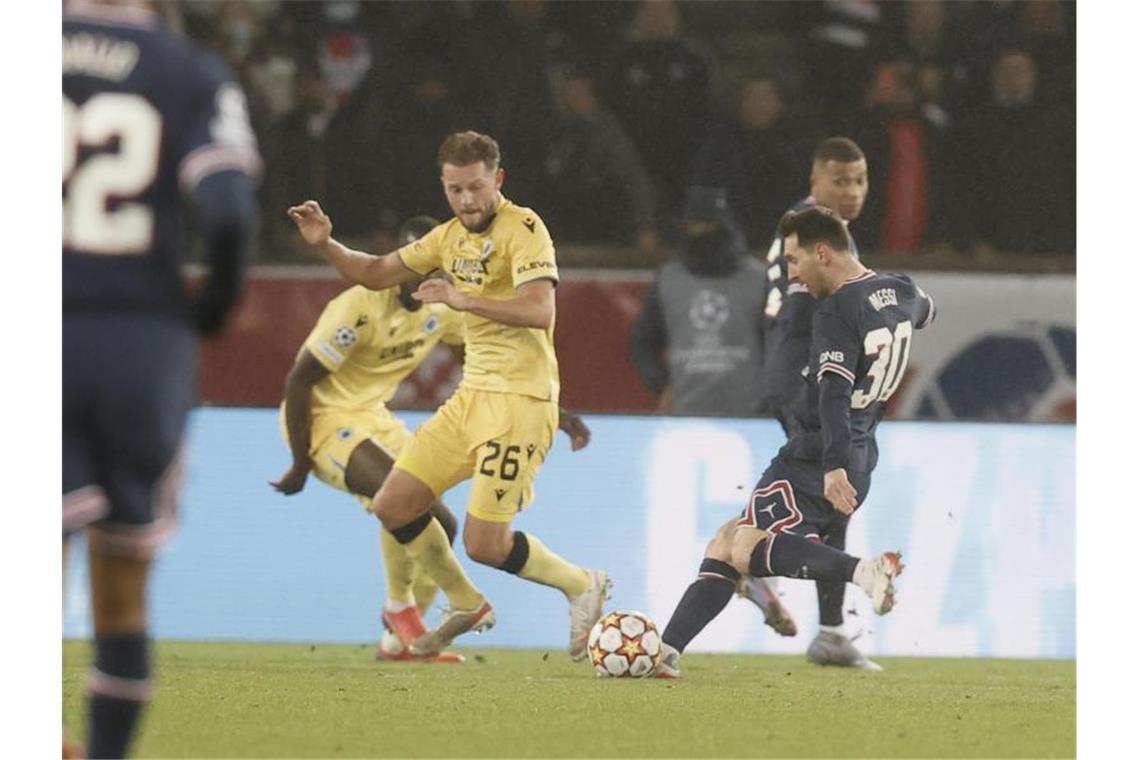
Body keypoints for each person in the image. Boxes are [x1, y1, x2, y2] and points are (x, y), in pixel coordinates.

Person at [286, 131, 611, 659]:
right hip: (469, 400)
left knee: (485, 544)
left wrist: (463, 297)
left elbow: (539, 310)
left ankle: (580, 584)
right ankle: (464, 602)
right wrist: (326, 243)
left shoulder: (525, 229)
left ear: (497, 180)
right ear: (444, 187)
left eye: (476, 187)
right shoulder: (445, 239)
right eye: (455, 189)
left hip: (519, 402)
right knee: (393, 504)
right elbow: (373, 272)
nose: (466, 200)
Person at [63, 0, 260, 756]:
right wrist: (205, 313)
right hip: (140, 348)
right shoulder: (187, 72)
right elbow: (229, 214)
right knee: (121, 590)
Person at [655, 206, 936, 679]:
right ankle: (664, 653)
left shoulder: (836, 311)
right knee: (727, 540)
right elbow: (928, 311)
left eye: (793, 260)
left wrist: (830, 465)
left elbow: (833, 394)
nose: (792, 274)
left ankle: (861, 571)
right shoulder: (902, 291)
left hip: (819, 454)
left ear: (822, 252)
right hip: (863, 450)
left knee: (743, 546)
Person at [745, 136, 877, 668]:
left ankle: (826, 628)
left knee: (833, 498)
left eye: (861, 180)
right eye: (841, 180)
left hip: (801, 374)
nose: (852, 191)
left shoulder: (826, 234)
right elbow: (806, 312)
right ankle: (745, 563)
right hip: (802, 377)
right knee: (835, 490)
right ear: (815, 180)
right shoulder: (806, 232)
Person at [629, 186, 766, 416]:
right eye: (697, 226)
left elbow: (780, 347)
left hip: (750, 417)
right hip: (689, 415)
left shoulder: (759, 280)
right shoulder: (669, 280)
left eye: (708, 226)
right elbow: (642, 344)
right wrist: (662, 385)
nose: (702, 233)